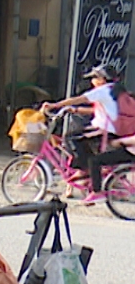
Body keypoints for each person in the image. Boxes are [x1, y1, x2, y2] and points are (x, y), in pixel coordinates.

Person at [44, 64, 128, 194]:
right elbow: (99, 110)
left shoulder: (103, 90)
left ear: (102, 79)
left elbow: (78, 99)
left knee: (70, 137)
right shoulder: (115, 90)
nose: (92, 81)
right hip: (112, 130)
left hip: (103, 131)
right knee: (82, 141)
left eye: (94, 78)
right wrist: (76, 110)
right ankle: (86, 174)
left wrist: (55, 105)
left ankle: (83, 170)